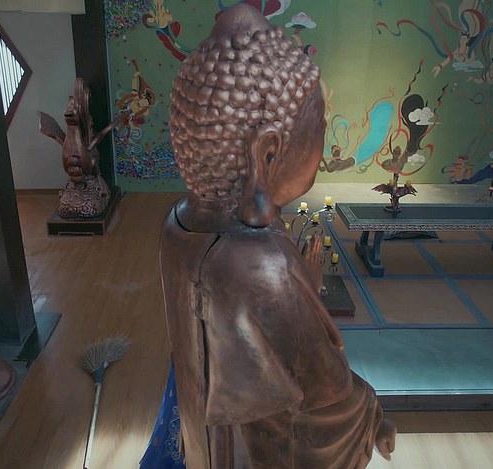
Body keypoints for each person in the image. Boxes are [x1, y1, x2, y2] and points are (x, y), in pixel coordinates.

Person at [159, 4, 395, 468]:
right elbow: (330, 398)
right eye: (318, 129)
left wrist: (300, 285)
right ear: (267, 153)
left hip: (204, 439)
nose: (322, 144)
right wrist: (375, 415)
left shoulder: (179, 223)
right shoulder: (261, 266)